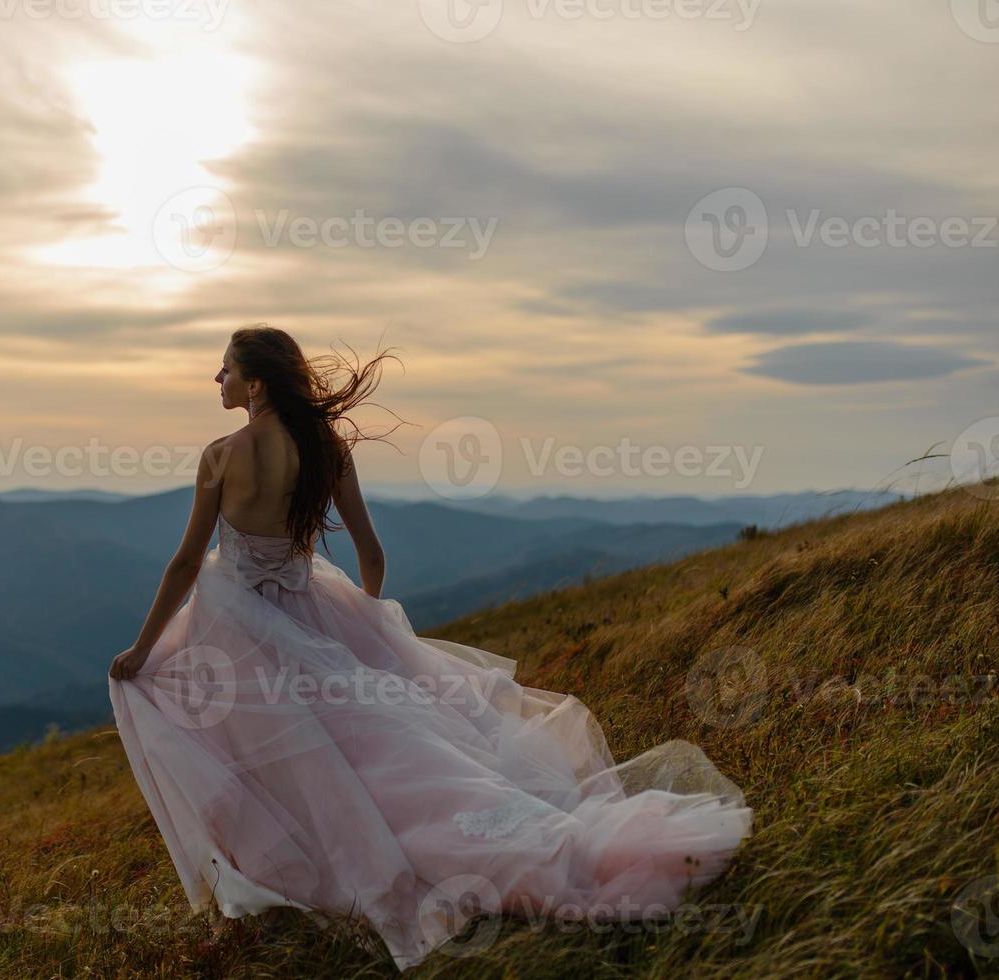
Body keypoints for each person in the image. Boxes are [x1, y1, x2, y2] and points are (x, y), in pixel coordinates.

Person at [107, 324, 753, 971]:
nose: (215, 382)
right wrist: (362, 621)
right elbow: (371, 553)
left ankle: (299, 866)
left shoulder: (222, 455)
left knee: (272, 755)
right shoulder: (328, 450)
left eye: (223, 371)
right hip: (317, 614)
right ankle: (513, 839)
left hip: (239, 630)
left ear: (255, 383)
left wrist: (141, 649)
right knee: (379, 752)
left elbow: (188, 562)